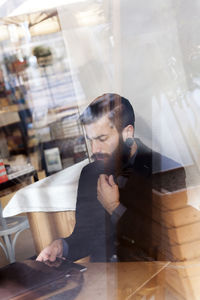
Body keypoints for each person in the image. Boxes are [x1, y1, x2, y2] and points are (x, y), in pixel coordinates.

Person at [36, 93, 184, 263]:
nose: (94, 149)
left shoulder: (166, 170)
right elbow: (86, 236)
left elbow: (165, 244)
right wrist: (62, 246)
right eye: (90, 140)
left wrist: (115, 208)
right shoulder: (90, 174)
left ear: (127, 133)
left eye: (102, 139)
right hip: (105, 280)